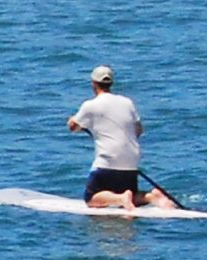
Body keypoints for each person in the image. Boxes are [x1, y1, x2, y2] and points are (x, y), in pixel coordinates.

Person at [67, 65, 184, 211]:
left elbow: (73, 127)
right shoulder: (127, 102)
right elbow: (138, 130)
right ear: (111, 83)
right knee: (132, 193)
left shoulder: (90, 105)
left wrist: (73, 121)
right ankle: (150, 197)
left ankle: (120, 198)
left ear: (93, 83)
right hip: (131, 159)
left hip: (108, 159)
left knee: (91, 199)